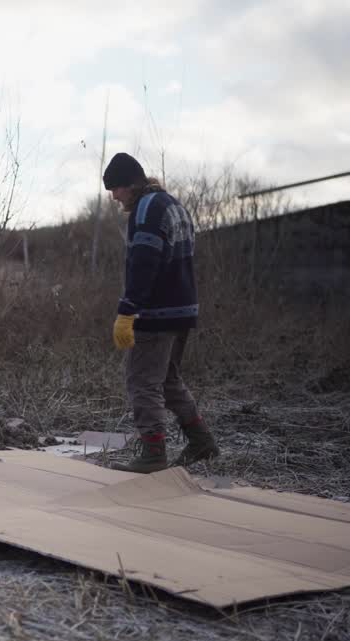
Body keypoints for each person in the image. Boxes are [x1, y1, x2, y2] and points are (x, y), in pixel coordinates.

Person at [102, 152, 219, 473]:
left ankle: (153, 454)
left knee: (142, 381)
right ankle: (202, 442)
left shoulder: (146, 210)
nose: (114, 197)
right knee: (167, 379)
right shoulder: (171, 204)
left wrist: (128, 311)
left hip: (158, 312)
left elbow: (144, 263)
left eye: (115, 189)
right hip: (181, 309)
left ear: (130, 184)